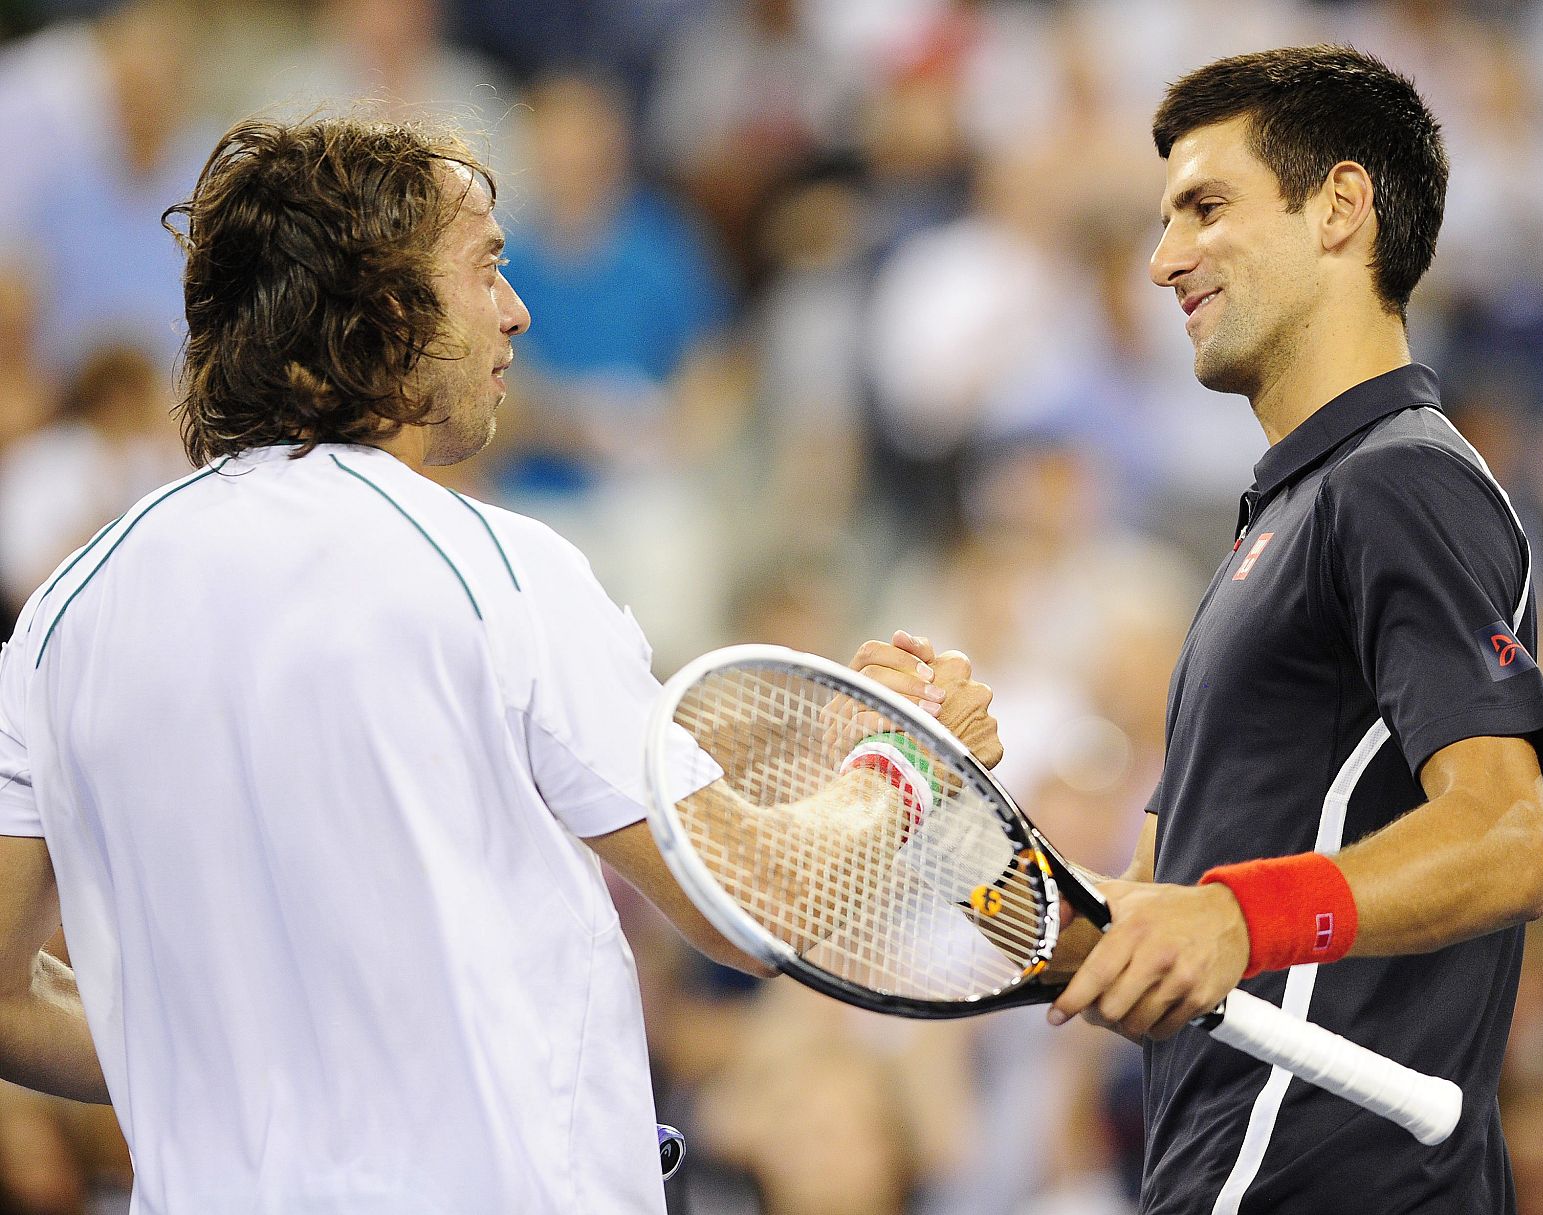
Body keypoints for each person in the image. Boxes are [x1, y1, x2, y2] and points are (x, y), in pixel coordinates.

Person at [0, 116, 999, 1214]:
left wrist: (212, 1070)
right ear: (385, 311)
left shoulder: (62, 614)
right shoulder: (494, 569)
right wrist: (905, 764)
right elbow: (751, 904)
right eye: (486, 267)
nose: (516, 311)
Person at [1042, 46, 1543, 1214]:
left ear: (1339, 208)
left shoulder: (1393, 485)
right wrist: (939, 823)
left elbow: (1505, 838)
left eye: (1206, 206)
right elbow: (1141, 916)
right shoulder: (1287, 519)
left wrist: (1239, 917)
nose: (1161, 257)